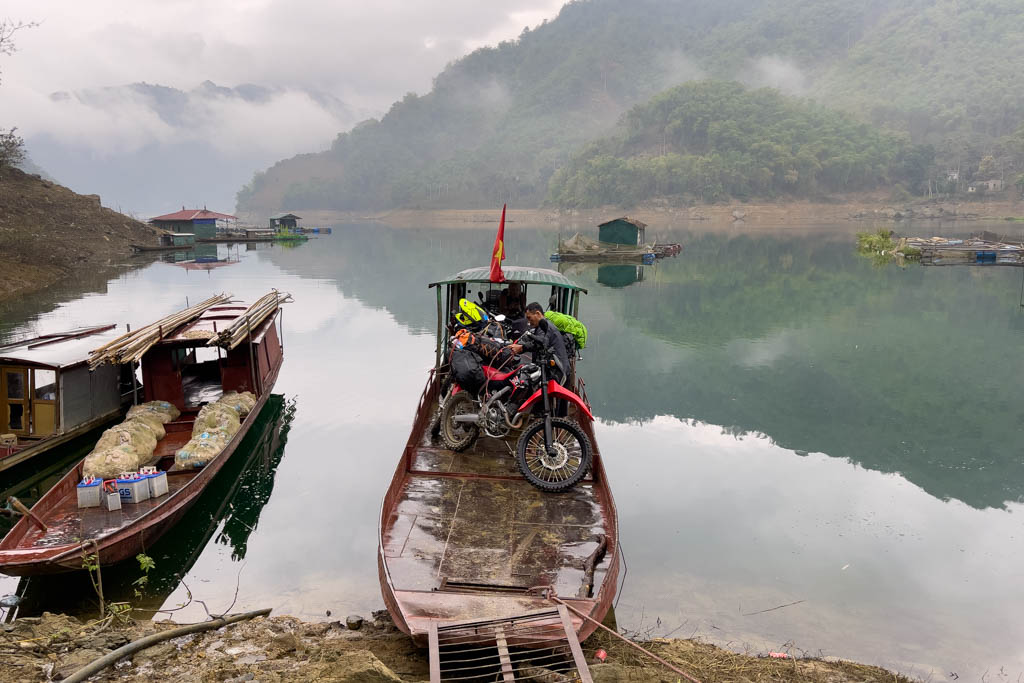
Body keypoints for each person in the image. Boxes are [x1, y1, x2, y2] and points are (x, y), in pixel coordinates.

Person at [510, 302, 569, 385]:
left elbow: (540, 343)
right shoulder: (545, 325)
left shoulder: (543, 326)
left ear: (537, 313)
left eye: (530, 318)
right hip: (558, 369)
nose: (529, 322)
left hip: (558, 371)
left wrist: (521, 348)